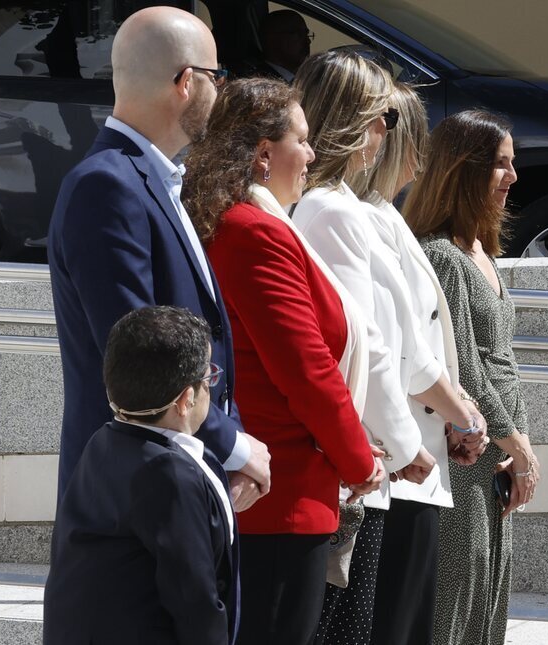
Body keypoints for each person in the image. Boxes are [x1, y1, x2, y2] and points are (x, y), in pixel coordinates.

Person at [182, 77, 390, 645]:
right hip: (281, 498)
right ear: (264, 153)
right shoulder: (252, 232)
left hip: (284, 492)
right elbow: (305, 368)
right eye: (303, 139)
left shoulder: (250, 224)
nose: (314, 154)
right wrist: (357, 460)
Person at [47, 6, 270, 510]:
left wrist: (230, 445)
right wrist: (233, 446)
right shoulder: (107, 185)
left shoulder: (149, 178)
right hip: (135, 497)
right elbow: (138, 351)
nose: (222, 92)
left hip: (173, 478)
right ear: (186, 82)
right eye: (219, 77)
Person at [292, 51, 460, 645]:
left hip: (380, 459)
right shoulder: (331, 210)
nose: (389, 132)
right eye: (381, 116)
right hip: (372, 459)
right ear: (350, 119)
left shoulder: (341, 207)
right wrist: (406, 443)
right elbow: (369, 346)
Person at [348, 82, 490, 645]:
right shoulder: (356, 216)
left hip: (419, 458)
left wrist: (458, 413)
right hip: (401, 459)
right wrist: (465, 415)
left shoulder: (384, 215)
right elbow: (398, 352)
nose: (419, 158)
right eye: (413, 140)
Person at [404, 109, 541, 645]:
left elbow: (502, 364)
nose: (513, 176)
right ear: (465, 169)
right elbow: (468, 373)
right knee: (457, 606)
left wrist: (517, 447)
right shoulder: (442, 257)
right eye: (500, 165)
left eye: (512, 163)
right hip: (466, 457)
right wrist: (522, 449)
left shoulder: (479, 251)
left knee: (488, 604)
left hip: (498, 456)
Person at [44, 306, 238, 645]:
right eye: (209, 378)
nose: (211, 386)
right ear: (186, 399)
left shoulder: (102, 442)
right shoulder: (169, 474)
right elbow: (195, 601)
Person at [256, 9, 311, 81]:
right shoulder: (262, 83)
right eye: (298, 34)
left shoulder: (301, 80)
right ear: (272, 39)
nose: (308, 41)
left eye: (306, 34)